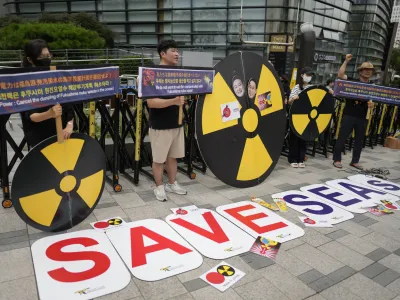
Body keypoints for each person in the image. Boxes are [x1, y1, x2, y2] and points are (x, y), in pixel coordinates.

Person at [146, 40, 187, 201]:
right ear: (163, 54)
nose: (177, 54)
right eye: (173, 51)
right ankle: (159, 186)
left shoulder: (178, 73)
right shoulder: (151, 73)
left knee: (173, 157)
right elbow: (151, 103)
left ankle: (172, 183)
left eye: (178, 51)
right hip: (160, 124)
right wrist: (174, 101)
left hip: (176, 122)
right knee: (159, 159)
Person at [20, 39, 75, 149]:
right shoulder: (25, 83)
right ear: (30, 60)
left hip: (63, 138)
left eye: (48, 55)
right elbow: (31, 117)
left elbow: (69, 108)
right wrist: (49, 114)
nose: (46, 59)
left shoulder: (57, 78)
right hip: (40, 142)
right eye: (41, 57)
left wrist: (69, 126)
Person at [332, 54, 375, 170]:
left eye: (370, 70)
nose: (367, 72)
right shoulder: (351, 81)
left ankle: (355, 161)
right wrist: (346, 61)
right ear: (360, 72)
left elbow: (374, 100)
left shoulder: (372, 86)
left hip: (362, 116)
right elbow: (340, 75)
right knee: (342, 137)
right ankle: (337, 159)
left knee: (359, 140)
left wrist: (372, 104)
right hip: (349, 114)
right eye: (365, 70)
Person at [287, 67, 314, 168]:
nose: (309, 77)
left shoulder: (312, 87)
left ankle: (301, 158)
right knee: (295, 138)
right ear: (302, 75)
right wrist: (293, 98)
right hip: (296, 116)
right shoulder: (296, 87)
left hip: (308, 117)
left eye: (310, 75)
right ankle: (292, 159)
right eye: (307, 75)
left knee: (304, 138)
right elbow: (289, 102)